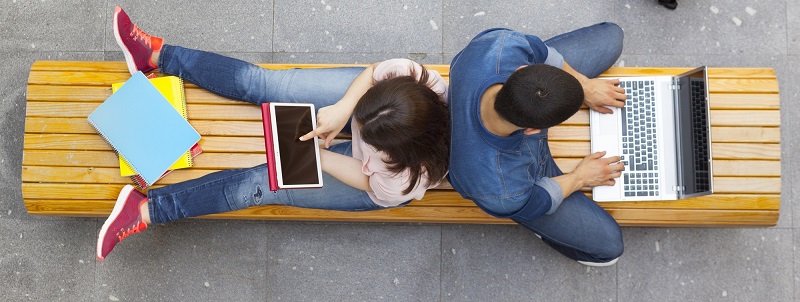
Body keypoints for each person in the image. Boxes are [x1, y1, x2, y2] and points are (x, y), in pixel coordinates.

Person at [97, 7, 450, 261]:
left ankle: (147, 211)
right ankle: (156, 55)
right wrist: (345, 107)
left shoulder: (404, 179)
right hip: (375, 120)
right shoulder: (417, 79)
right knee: (265, 83)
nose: (355, 128)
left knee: (262, 186)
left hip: (368, 179)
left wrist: (318, 158)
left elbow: (369, 181)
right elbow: (373, 75)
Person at [448, 24, 627, 266]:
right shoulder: (499, 188)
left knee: (613, 37)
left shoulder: (501, 45)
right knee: (610, 248)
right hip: (526, 176)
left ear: (521, 70)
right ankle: (544, 230)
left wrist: (586, 86)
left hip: (511, 112)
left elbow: (539, 50)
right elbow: (534, 202)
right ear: (534, 131)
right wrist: (580, 178)